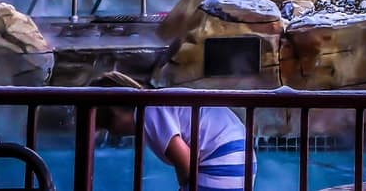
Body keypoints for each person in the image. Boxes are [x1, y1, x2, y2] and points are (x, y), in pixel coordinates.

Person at [92, 72, 254, 191]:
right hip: (240, 162)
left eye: (107, 127)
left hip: (221, 164)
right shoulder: (158, 102)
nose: (113, 134)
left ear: (116, 112)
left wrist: (183, 187)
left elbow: (186, 161)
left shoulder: (147, 112)